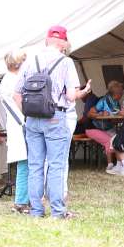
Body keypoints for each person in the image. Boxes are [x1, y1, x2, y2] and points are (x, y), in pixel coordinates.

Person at [20, 25, 93, 219]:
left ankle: (35, 210)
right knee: (56, 165)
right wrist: (83, 92)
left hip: (32, 119)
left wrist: (27, 112)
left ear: (47, 41)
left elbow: (16, 94)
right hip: (54, 117)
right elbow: (70, 96)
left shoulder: (30, 60)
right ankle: (57, 211)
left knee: (35, 165)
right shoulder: (66, 62)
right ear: (62, 44)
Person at [0, 50, 31, 214]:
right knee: (26, 164)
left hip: (17, 125)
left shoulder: (7, 80)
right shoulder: (15, 81)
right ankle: (21, 202)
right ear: (20, 63)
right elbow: (21, 104)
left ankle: (25, 200)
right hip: (21, 125)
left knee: (26, 163)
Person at [89, 78, 124, 176]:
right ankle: (118, 164)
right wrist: (101, 114)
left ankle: (119, 165)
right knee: (116, 140)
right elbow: (90, 113)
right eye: (121, 92)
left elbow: (115, 116)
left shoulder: (116, 102)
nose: (122, 93)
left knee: (119, 138)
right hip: (101, 128)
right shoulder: (103, 101)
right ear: (117, 93)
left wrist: (120, 115)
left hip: (110, 127)